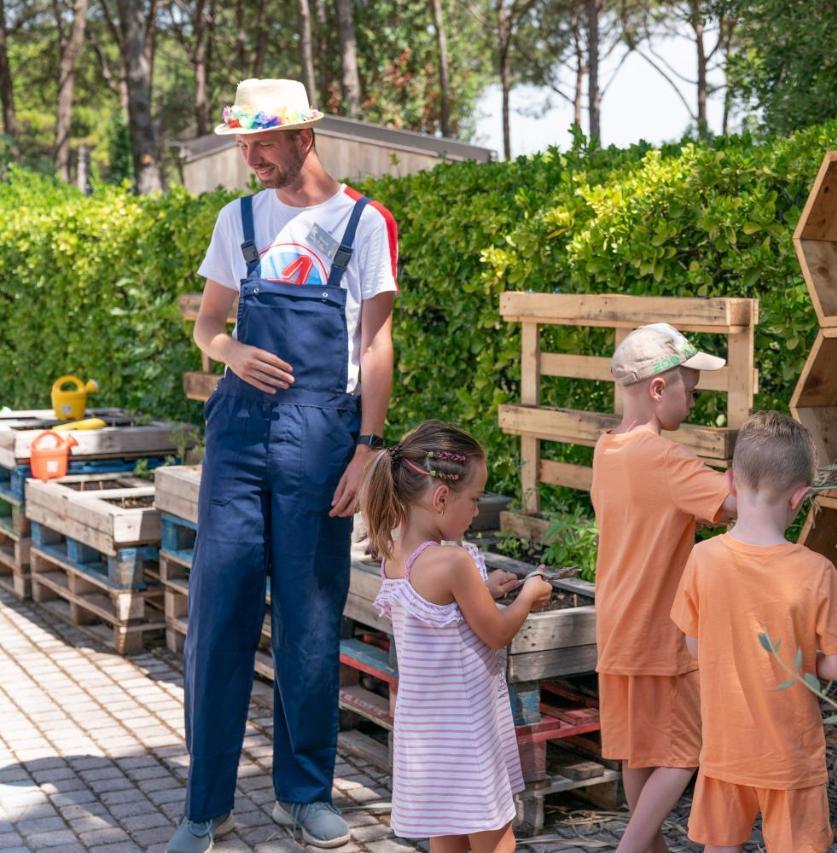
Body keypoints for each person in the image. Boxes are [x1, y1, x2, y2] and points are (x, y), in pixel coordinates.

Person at [170, 78, 401, 852]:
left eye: (262, 142)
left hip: (321, 439)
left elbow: (374, 343)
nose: (251, 157)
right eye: (243, 143)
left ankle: (303, 794)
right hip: (237, 438)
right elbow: (207, 323)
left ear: (306, 136)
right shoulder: (235, 218)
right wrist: (231, 348)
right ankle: (206, 806)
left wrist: (368, 449)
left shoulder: (364, 222)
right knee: (220, 613)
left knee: (308, 622)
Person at [671, 411, 837, 853]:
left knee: (720, 846)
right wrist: (803, 657)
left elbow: (693, 644)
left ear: (730, 483)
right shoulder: (816, 572)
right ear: (800, 497)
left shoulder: (704, 559)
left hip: (726, 750)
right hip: (791, 757)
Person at [364, 422, 552, 852]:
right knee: (496, 839)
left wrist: (485, 593)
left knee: (447, 834)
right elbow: (497, 632)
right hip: (466, 733)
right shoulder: (453, 563)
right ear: (441, 497)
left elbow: (434, 613)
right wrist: (528, 596)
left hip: (427, 734)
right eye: (474, 498)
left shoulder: (395, 550)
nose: (476, 509)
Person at [590, 323, 737, 853]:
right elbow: (738, 502)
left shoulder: (607, 448)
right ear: (658, 389)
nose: (693, 400)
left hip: (618, 631)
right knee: (685, 753)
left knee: (640, 753)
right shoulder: (666, 459)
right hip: (662, 636)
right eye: (689, 389)